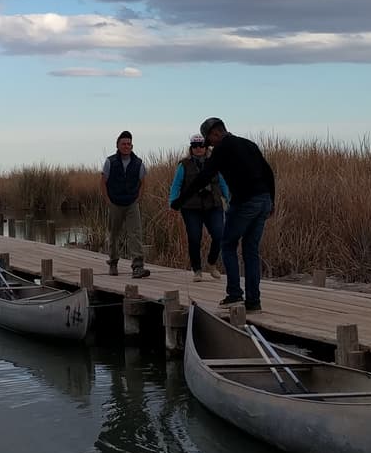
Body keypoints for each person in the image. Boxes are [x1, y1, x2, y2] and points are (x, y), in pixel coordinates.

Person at [171, 116, 275, 310]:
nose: (209, 145)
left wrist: (180, 201)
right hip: (263, 201)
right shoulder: (249, 144)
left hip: (245, 202)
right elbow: (268, 172)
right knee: (251, 250)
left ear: (216, 133)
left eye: (209, 140)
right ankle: (253, 301)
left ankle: (234, 294)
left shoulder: (222, 149)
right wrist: (272, 202)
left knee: (228, 244)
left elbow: (204, 177)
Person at [168, 134, 230, 281]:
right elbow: (176, 185)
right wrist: (173, 202)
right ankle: (197, 270)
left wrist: (227, 199)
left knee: (219, 235)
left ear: (206, 147)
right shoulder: (184, 165)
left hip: (213, 205)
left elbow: (222, 183)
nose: (198, 149)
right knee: (194, 238)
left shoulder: (215, 163)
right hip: (191, 207)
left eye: (201, 145)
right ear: (191, 148)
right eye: (195, 146)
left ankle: (212, 263)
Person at [101, 130, 148, 277]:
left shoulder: (138, 163)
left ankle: (137, 266)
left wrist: (138, 199)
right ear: (118, 145)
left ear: (132, 146)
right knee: (114, 234)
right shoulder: (110, 162)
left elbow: (143, 183)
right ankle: (113, 263)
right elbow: (103, 182)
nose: (126, 146)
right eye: (123, 144)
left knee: (135, 234)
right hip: (115, 203)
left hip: (131, 203)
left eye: (129, 144)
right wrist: (108, 200)